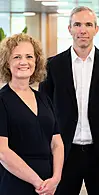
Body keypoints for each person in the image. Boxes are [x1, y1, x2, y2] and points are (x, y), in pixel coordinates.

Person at [39, 6, 99, 195]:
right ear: (69, 29)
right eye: (77, 24)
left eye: (88, 24)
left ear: (96, 29)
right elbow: (44, 109)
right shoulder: (53, 65)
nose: (82, 30)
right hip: (64, 153)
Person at [0, 33, 64, 195]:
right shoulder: (2, 100)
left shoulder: (43, 99)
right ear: (7, 62)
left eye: (29, 56)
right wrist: (38, 183)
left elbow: (57, 143)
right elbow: (2, 151)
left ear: (36, 61)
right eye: (17, 57)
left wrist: (55, 179)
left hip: (48, 184)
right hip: (15, 183)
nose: (24, 62)